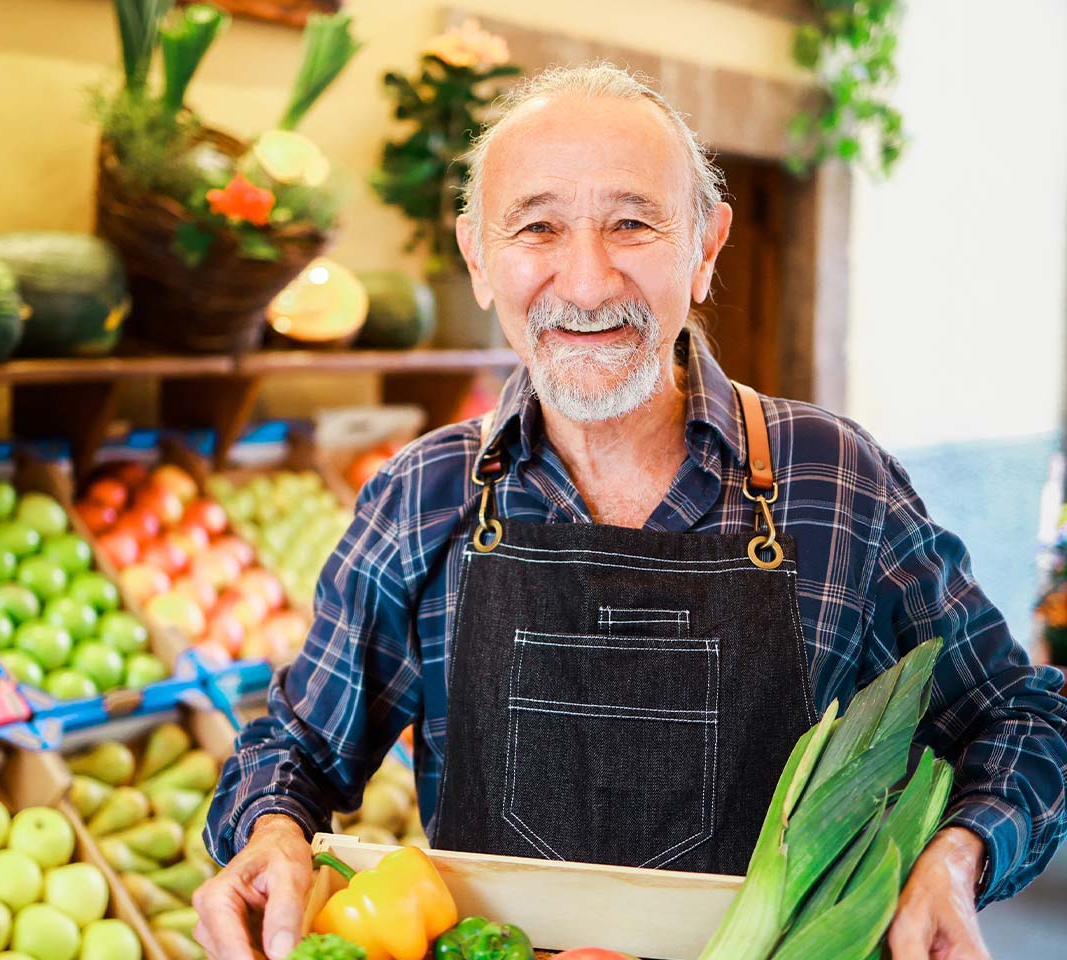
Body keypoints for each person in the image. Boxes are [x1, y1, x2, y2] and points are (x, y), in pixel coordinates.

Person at [192, 63, 1067, 960]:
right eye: (537, 227)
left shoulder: (835, 481)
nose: (586, 281)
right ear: (479, 260)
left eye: (633, 223)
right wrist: (271, 834)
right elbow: (294, 747)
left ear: (706, 249)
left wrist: (954, 859)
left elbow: (1023, 719)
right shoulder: (426, 495)